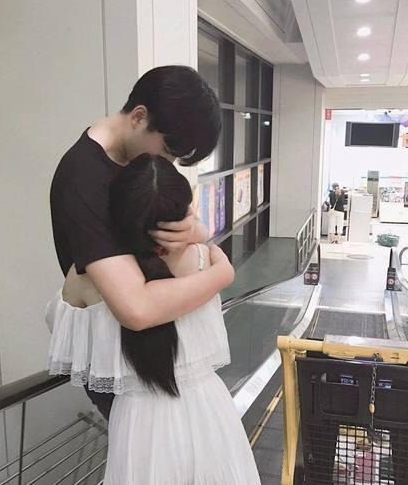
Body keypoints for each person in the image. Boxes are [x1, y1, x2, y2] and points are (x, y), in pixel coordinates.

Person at [46, 154, 260, 484]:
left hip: (139, 422)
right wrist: (202, 239)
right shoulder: (205, 258)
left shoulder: (87, 276)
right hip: (209, 408)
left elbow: (63, 336)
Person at [50, 66, 234, 420]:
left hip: (164, 357)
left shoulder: (141, 161)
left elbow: (191, 221)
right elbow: (136, 310)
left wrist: (195, 231)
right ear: (138, 117)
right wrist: (222, 274)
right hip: (127, 375)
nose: (170, 164)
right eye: (168, 150)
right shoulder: (84, 179)